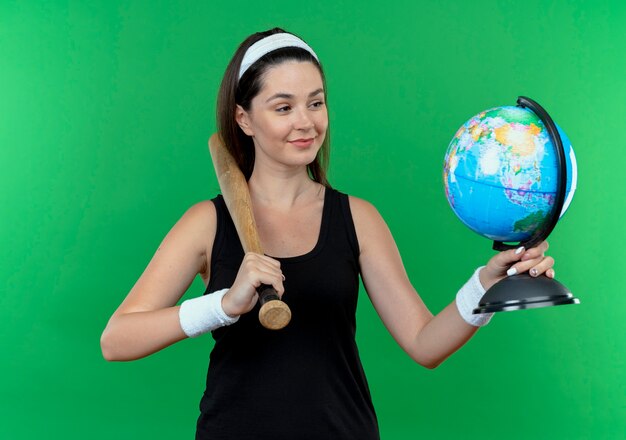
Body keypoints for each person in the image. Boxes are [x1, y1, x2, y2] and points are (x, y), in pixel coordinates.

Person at [100, 28, 555, 439]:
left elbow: (423, 343)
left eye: (316, 102)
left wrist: (488, 285)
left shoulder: (357, 218)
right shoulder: (206, 222)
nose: (306, 122)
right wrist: (222, 305)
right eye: (283, 107)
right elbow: (117, 339)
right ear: (244, 119)